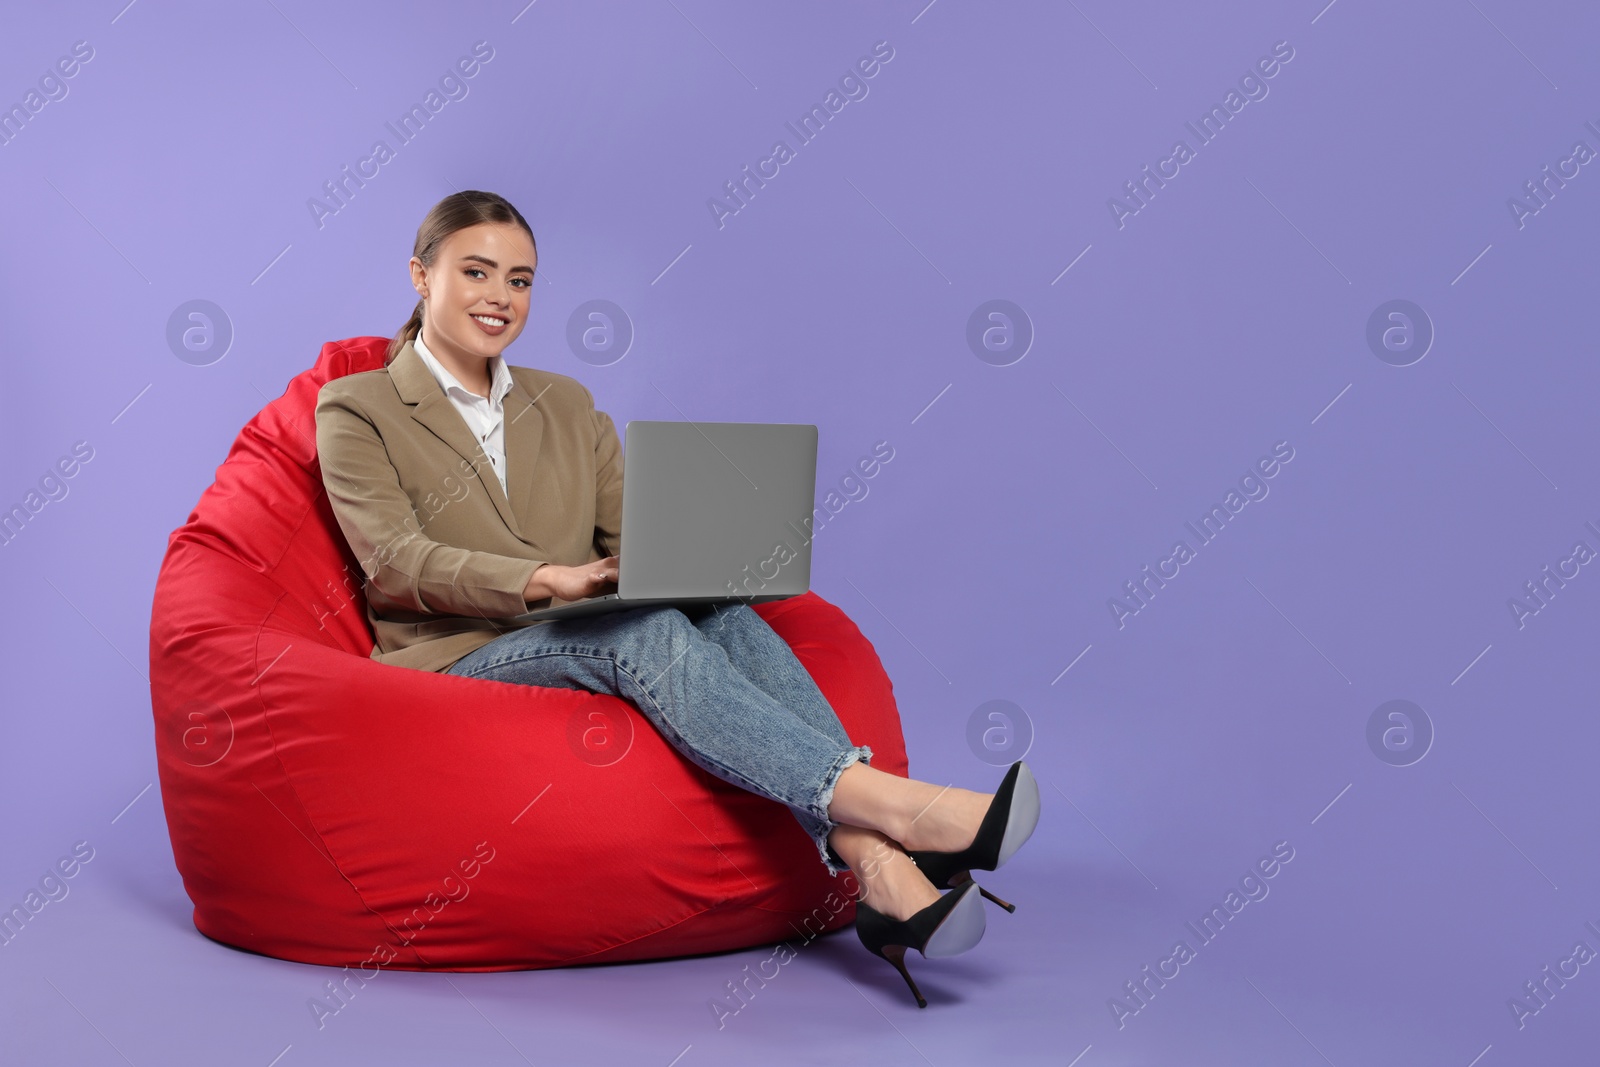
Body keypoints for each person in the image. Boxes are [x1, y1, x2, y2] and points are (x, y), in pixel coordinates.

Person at [312, 190, 1040, 1007]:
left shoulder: (567, 404)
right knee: (648, 632)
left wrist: (686, 558)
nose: (499, 298)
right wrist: (551, 579)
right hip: (457, 649)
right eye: (475, 272)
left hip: (575, 623)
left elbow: (633, 540)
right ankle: (900, 813)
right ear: (420, 274)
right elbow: (396, 562)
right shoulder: (357, 406)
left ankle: (880, 867)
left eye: (520, 280)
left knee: (717, 611)